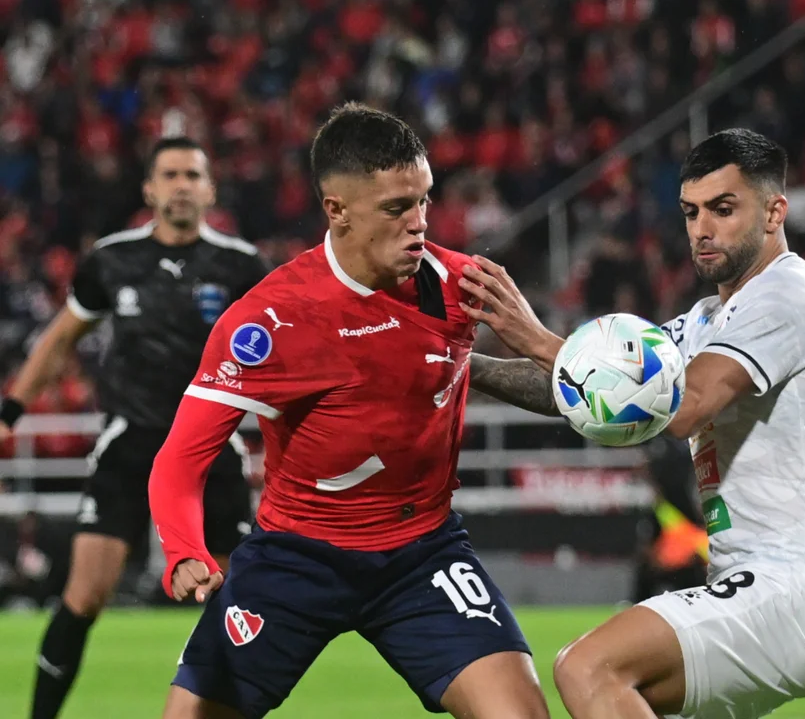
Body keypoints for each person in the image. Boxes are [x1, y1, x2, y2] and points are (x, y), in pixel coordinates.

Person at [148, 103, 553, 719]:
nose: (419, 224)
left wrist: (547, 348)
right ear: (337, 210)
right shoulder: (269, 322)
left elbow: (552, 389)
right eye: (396, 208)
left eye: (424, 200)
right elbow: (181, 458)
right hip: (296, 556)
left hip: (423, 553)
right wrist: (183, 549)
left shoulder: (461, 284)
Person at [456, 128, 805, 719]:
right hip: (749, 581)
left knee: (588, 667)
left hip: (795, 585)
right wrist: (455, 364)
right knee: (625, 695)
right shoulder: (706, 320)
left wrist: (541, 339)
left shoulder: (788, 295)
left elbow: (683, 406)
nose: (703, 228)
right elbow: (575, 389)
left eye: (723, 209)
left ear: (775, 212)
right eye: (691, 212)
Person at [0, 136, 269, 719]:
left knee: (234, 604)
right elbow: (60, 338)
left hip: (212, 446)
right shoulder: (112, 259)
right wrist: (10, 411)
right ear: (149, 189)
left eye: (192, 175)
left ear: (210, 189)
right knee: (84, 596)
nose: (181, 185)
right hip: (130, 442)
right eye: (169, 174)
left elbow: (280, 359)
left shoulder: (241, 265)